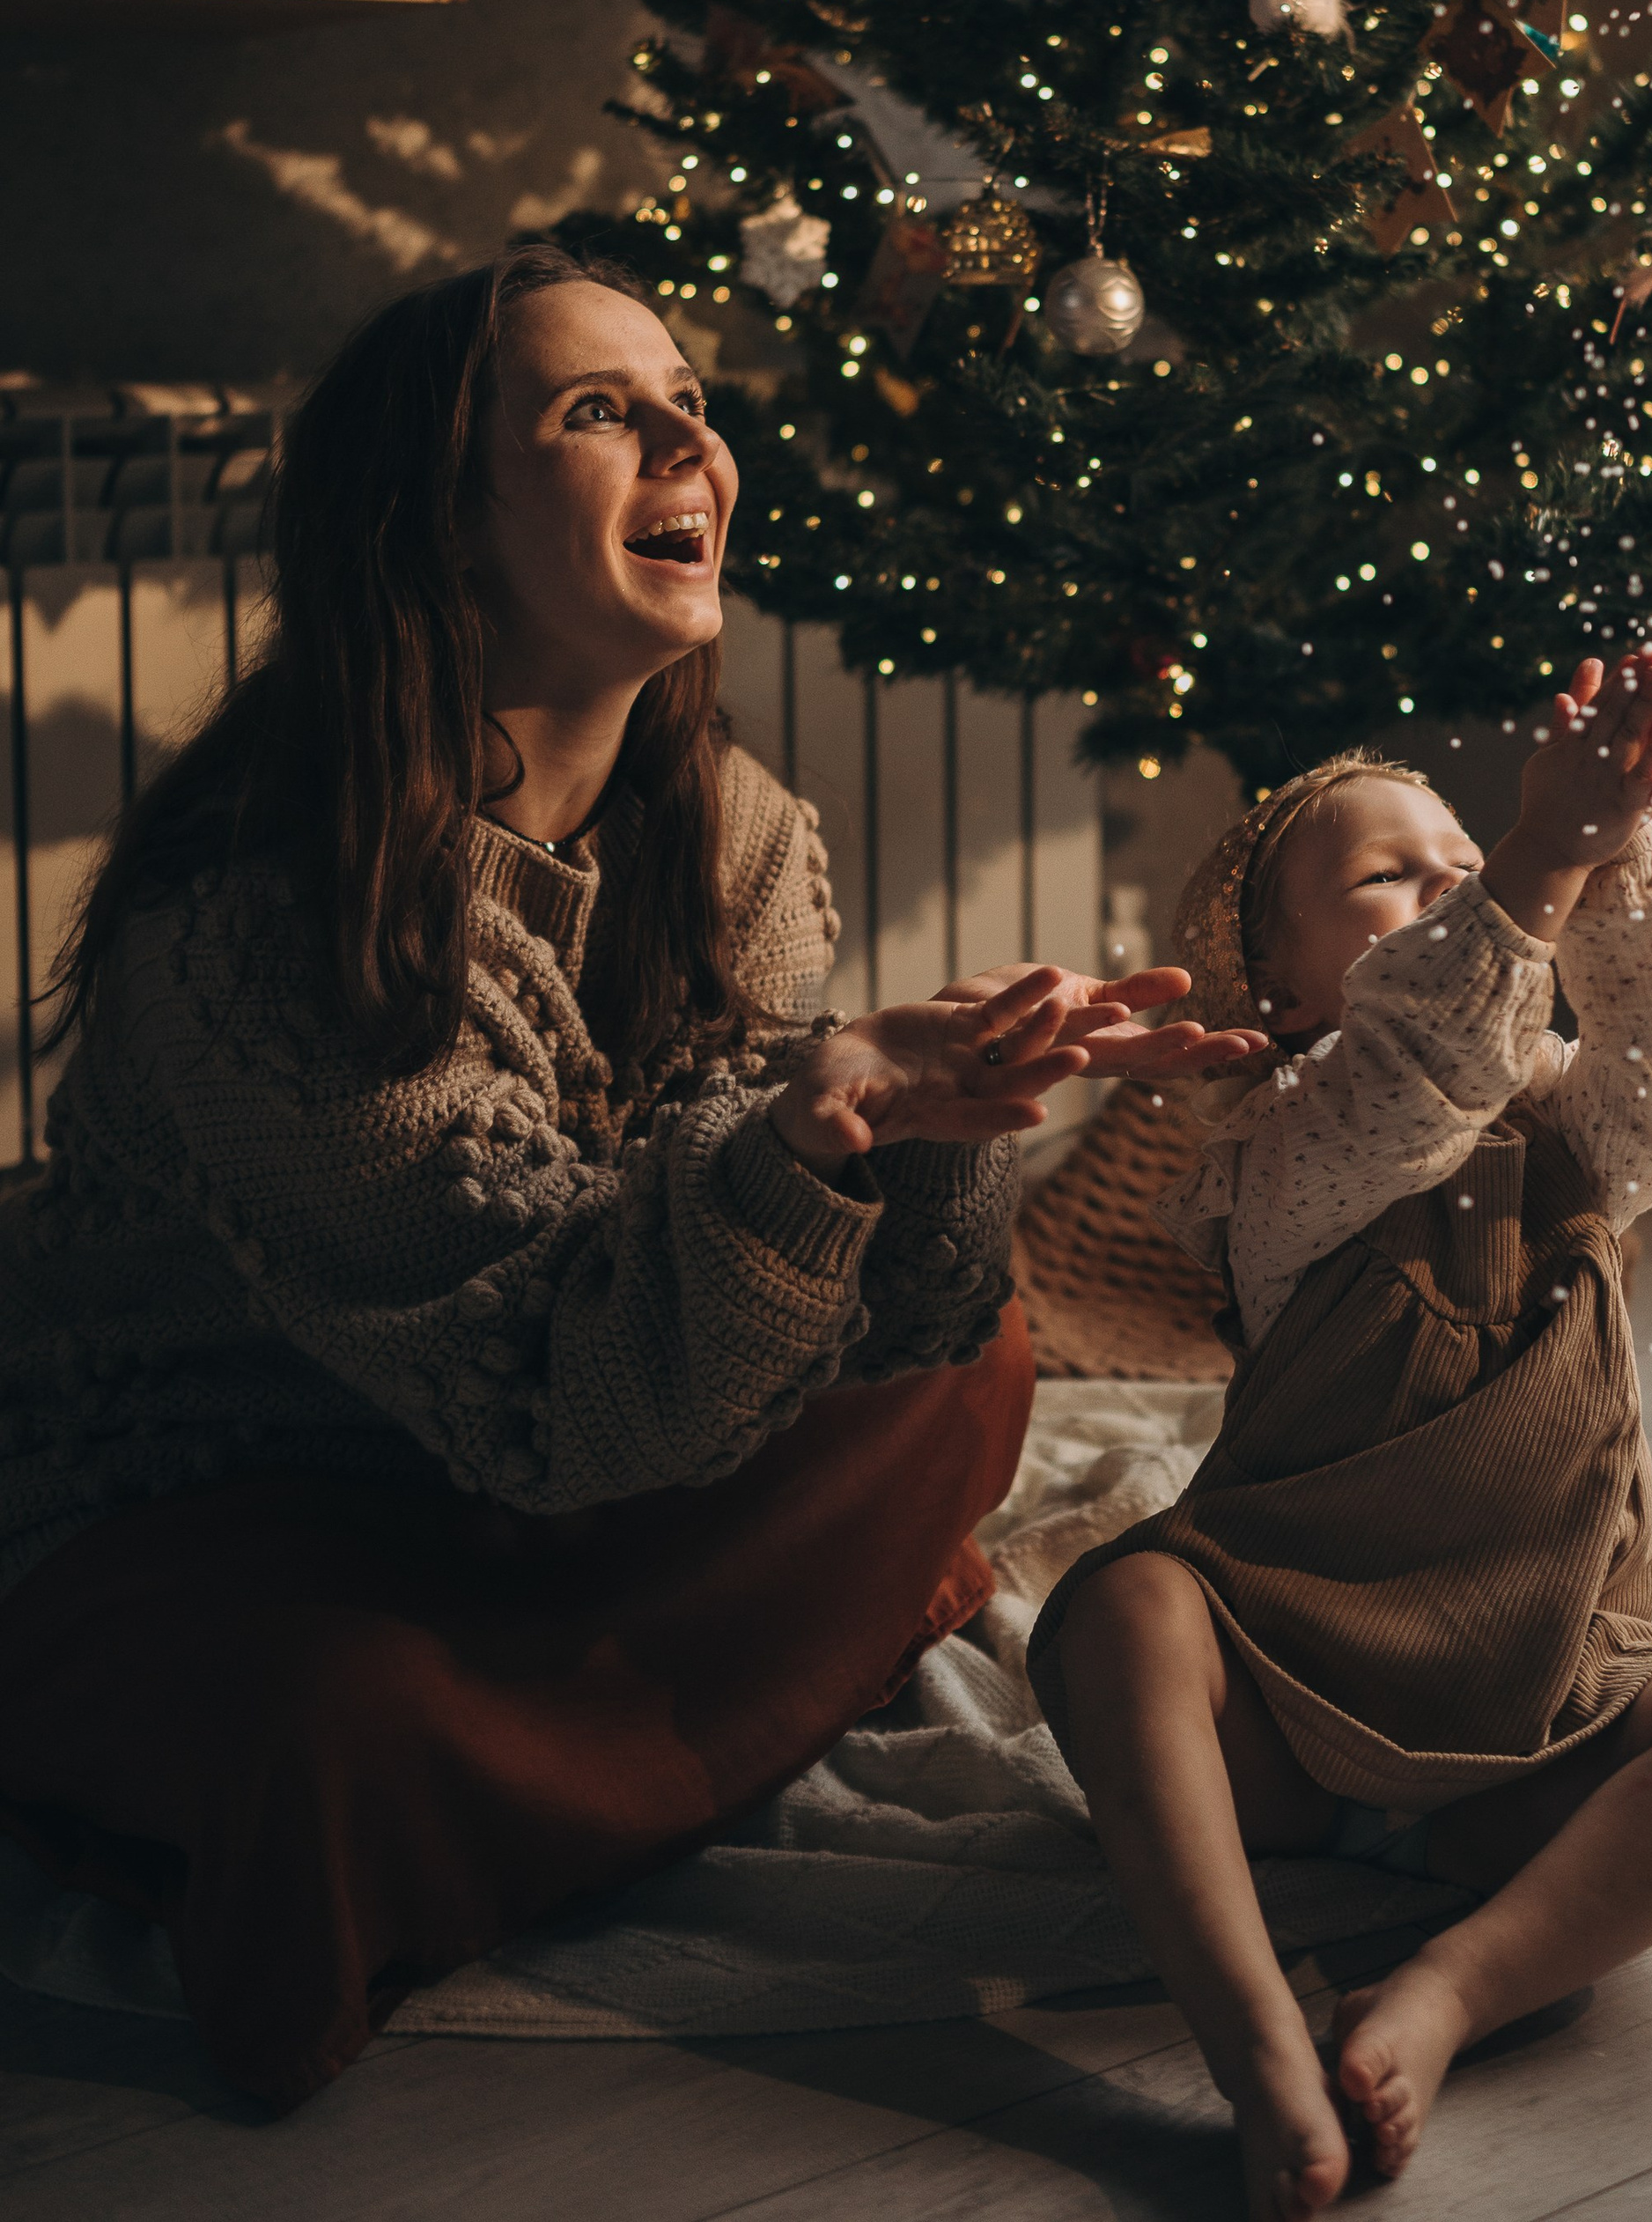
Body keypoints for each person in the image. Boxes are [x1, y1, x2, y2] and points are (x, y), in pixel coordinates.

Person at [0, 247, 1256, 2107]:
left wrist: (932, 1121)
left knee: (974, 1366)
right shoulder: (267, 932)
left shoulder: (740, 833)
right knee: (327, 1729)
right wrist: (808, 1124)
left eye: (684, 394)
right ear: (435, 521)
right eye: (599, 409)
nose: (691, 429)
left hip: (566, 1456)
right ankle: (646, 1717)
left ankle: (579, 1752)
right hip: (241, 1494)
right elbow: (549, 1408)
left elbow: (884, 1308)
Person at [1027, 642, 1652, 2218]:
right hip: (1289, 1683)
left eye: (1466, 863)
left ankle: (1452, 1989)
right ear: (1290, 987)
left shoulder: (1582, 1120)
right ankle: (1254, 2040)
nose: (1462, 894)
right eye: (1399, 880)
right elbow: (1414, 1076)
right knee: (1115, 1611)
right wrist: (1527, 861)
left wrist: (1623, 833)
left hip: (1534, 1705)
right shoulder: (1289, 1146)